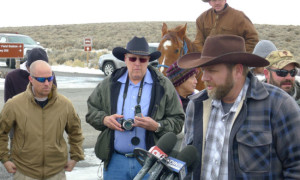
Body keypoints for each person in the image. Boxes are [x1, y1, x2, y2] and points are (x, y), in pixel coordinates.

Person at [178, 35, 300, 179]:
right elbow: (185, 166)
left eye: (212, 70)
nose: (204, 77)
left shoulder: (279, 106)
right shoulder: (197, 104)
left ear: (238, 70)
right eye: (203, 70)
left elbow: (296, 167)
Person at [86, 36, 184, 179]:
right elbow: (91, 113)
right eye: (133, 59)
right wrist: (104, 119)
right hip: (115, 163)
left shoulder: (163, 85)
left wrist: (157, 126)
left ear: (148, 61)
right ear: (125, 58)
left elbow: (178, 120)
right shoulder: (109, 84)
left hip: (150, 163)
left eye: (142, 59)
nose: (137, 63)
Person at [0, 60, 84, 179]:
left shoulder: (65, 104)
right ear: (31, 79)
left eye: (50, 78)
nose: (47, 83)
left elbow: (76, 132)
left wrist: (76, 157)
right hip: (24, 172)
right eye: (41, 79)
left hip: (56, 173)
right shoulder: (14, 104)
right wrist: (5, 159)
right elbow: (1, 133)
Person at [193, 0, 258, 53]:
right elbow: (198, 41)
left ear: (225, 0)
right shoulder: (202, 18)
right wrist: (204, 57)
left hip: (233, 62)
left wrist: (238, 56)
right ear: (209, 2)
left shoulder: (239, 16)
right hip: (208, 61)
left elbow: (253, 39)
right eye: (214, 0)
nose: (217, 3)